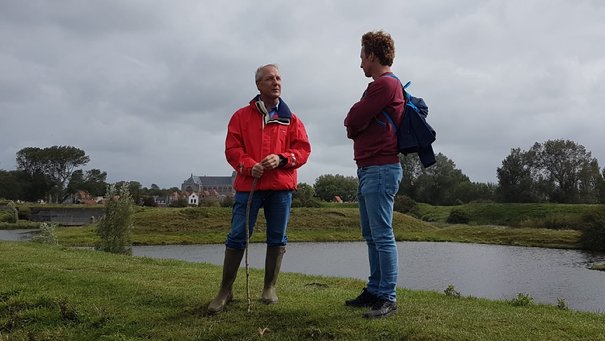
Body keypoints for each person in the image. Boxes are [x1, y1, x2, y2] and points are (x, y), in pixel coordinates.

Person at [208, 64, 311, 314]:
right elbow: (232, 149)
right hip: (249, 187)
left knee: (278, 238)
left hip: (281, 189)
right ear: (258, 85)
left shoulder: (292, 119)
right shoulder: (240, 116)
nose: (276, 82)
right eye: (269, 79)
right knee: (236, 236)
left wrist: (283, 159)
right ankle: (225, 290)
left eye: (278, 78)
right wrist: (248, 165)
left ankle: (269, 287)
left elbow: (303, 150)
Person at [343, 31, 404, 319]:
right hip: (371, 168)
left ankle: (387, 297)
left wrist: (354, 121)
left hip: (380, 168)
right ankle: (375, 289)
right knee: (371, 234)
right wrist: (356, 122)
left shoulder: (384, 85)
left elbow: (353, 119)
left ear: (371, 56)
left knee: (381, 235)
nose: (360, 65)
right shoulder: (380, 87)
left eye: (361, 58)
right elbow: (356, 122)